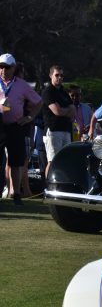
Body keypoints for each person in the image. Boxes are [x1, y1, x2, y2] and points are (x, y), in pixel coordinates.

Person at [0, 53, 42, 205]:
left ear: (14, 68)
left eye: (7, 67)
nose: (3, 70)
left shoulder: (22, 84)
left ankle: (16, 194)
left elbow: (38, 102)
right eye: (1, 67)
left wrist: (30, 117)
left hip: (15, 126)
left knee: (16, 162)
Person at [41, 65, 74, 177]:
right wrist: (66, 110)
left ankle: (61, 186)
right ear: (51, 76)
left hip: (66, 130)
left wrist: (63, 110)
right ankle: (48, 186)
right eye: (57, 75)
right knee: (52, 161)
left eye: (61, 75)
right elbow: (57, 111)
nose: (60, 77)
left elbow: (73, 111)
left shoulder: (64, 92)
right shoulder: (48, 92)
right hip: (53, 131)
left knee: (65, 161)